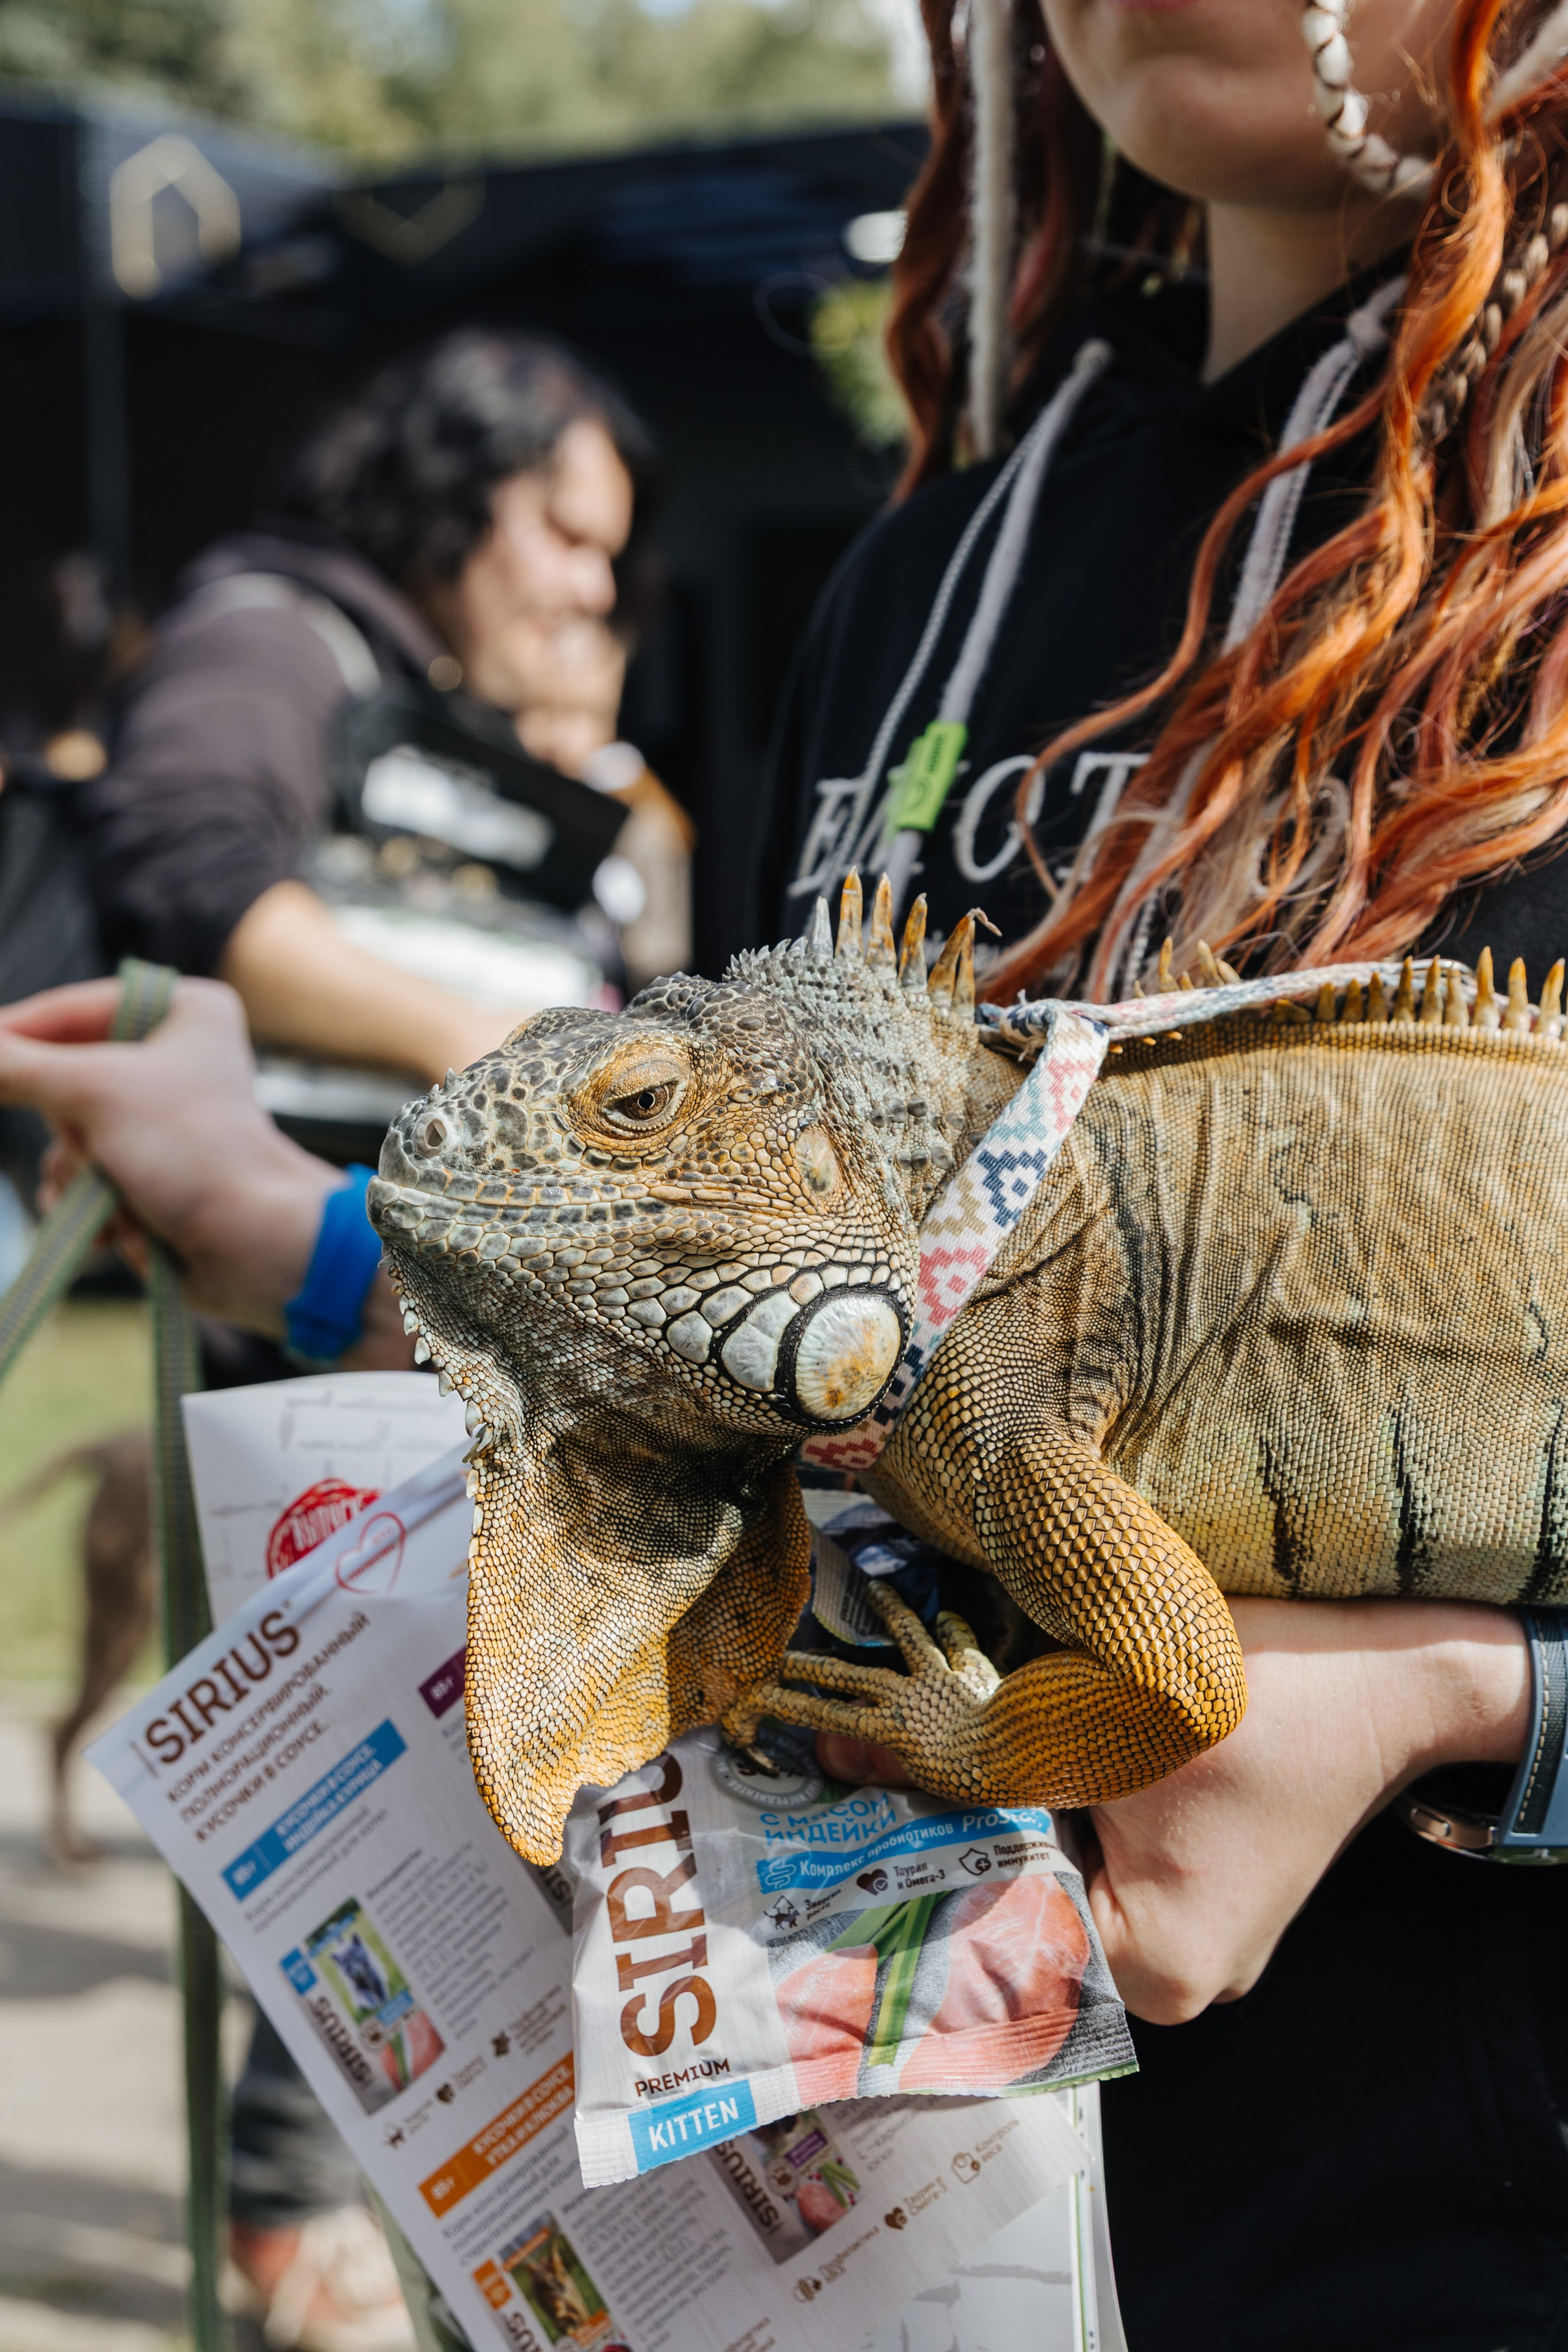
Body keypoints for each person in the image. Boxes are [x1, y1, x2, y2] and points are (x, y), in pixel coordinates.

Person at [4, 5, 1568, 2345]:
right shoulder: (936, 562)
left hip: (1436, 2226)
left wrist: (1461, 1704)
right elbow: (782, 1314)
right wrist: (305, 1227)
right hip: (873, 2217)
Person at [83, 329, 666, 1086]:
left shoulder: (429, 688)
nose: (598, 590)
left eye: (607, 556)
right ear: (452, 493)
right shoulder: (273, 639)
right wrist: (477, 1046)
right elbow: (187, 880)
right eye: (566, 536)